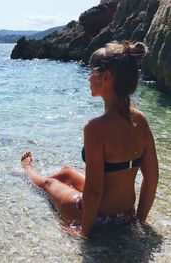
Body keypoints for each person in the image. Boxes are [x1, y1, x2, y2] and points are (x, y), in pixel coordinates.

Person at [20, 41, 159, 237]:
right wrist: (138, 221)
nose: (89, 78)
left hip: (97, 218)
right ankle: (53, 178)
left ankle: (27, 169)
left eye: (93, 72)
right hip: (126, 215)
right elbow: (152, 179)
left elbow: (94, 191)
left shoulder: (95, 128)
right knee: (67, 173)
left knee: (47, 185)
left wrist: (84, 232)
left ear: (107, 77)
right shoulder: (140, 120)